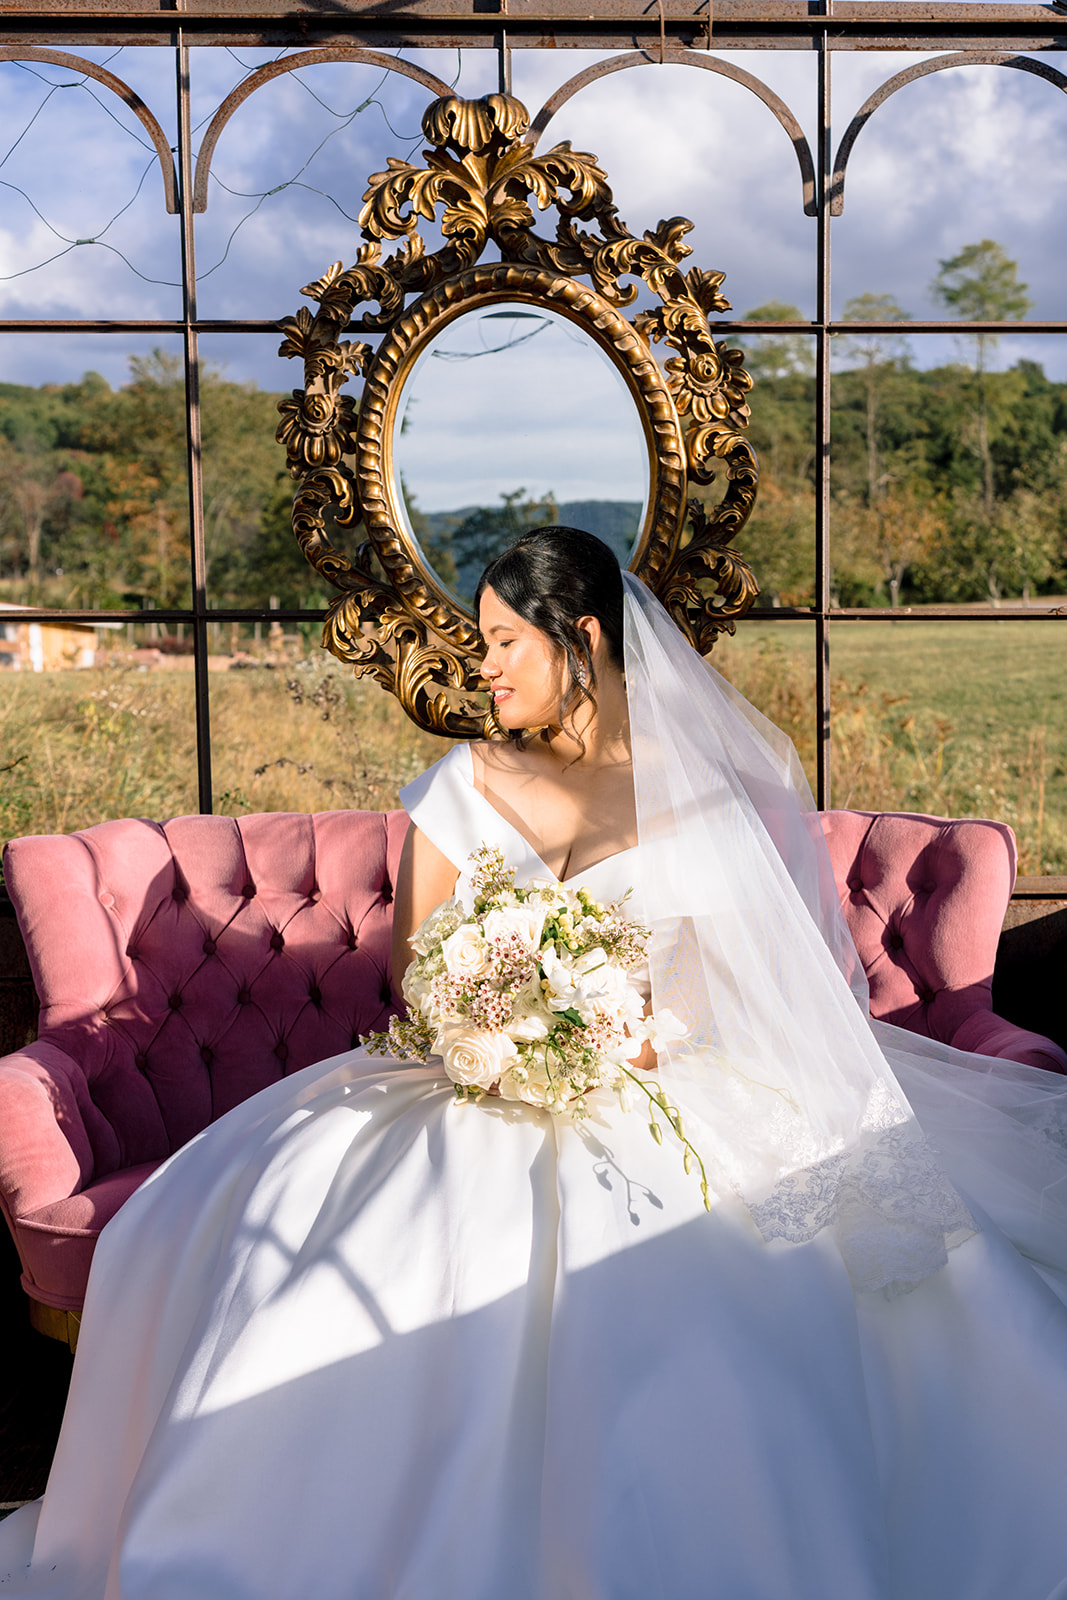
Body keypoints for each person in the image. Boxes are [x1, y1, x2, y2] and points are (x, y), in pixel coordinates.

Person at [3, 525, 1067, 1600]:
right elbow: (420, 978)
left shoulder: (690, 794)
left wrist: (604, 1037)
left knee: (743, 1264)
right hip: (463, 1074)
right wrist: (502, 1028)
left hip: (649, 1075)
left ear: (582, 638)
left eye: (507, 640)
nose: (487, 664)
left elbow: (697, 995)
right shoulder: (463, 781)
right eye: (482, 639)